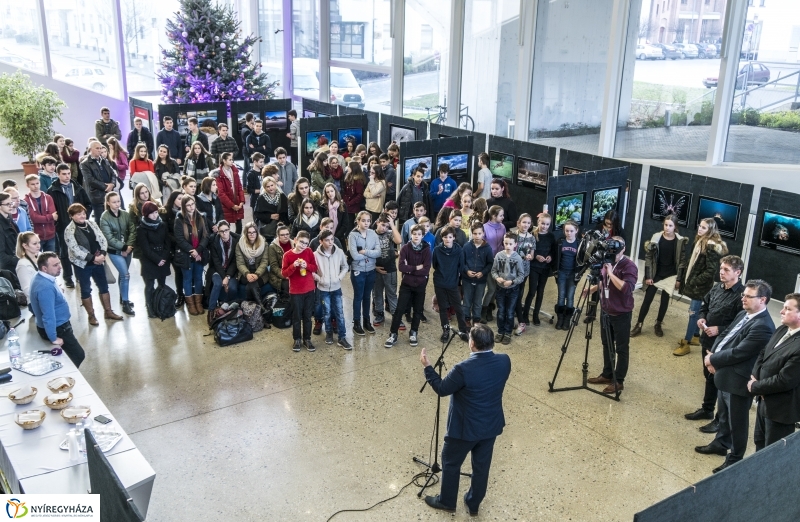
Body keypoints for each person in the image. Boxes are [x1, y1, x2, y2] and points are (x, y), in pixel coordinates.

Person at [419, 324, 511, 515]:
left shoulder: (463, 369)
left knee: (450, 462)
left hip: (464, 429)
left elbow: (442, 389)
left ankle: (447, 501)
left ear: (472, 344)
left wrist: (428, 367)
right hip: (490, 426)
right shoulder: (504, 361)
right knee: (481, 466)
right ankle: (473, 503)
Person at [696, 279, 775, 473]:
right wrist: (712, 356)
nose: (743, 299)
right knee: (723, 415)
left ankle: (735, 457)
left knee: (737, 422)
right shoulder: (743, 314)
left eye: (749, 296)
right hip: (725, 374)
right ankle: (721, 444)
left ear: (762, 300)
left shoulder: (763, 326)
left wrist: (713, 360)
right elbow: (725, 336)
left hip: (739, 380)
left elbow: (739, 352)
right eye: (743, 295)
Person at [685, 255, 745, 432]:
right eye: (721, 269)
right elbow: (705, 305)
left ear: (738, 272)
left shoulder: (741, 296)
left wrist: (719, 329)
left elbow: (740, 325)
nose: (721, 272)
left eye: (726, 270)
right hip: (707, 341)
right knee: (709, 377)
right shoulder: (717, 287)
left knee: (720, 382)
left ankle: (720, 420)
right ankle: (707, 409)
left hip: (724, 346)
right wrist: (702, 317)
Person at [586, 237, 638, 394]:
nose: (611, 254)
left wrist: (610, 271)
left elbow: (626, 288)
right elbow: (604, 280)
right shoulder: (606, 260)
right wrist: (593, 289)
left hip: (621, 313)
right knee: (606, 344)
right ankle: (607, 374)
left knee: (621, 348)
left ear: (623, 249)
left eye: (614, 251)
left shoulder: (629, 266)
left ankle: (619, 381)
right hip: (606, 310)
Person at [750, 293, 800, 451]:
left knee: (772, 454)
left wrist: (757, 386)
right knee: (759, 444)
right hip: (763, 402)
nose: (781, 311)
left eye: (787, 308)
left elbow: (785, 380)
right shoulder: (782, 330)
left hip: (780, 411)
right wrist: (756, 378)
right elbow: (762, 354)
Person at [674, 217, 728, 356]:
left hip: (700, 287)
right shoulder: (700, 242)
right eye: (700, 226)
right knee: (696, 312)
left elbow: (711, 271)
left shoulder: (710, 246)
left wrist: (695, 281)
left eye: (704, 227)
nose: (700, 229)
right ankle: (695, 337)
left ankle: (686, 343)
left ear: (710, 230)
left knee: (693, 314)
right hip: (696, 285)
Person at [63, 203, 123, 324]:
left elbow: (102, 239)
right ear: (71, 216)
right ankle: (91, 316)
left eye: (84, 213)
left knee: (104, 286)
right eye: (78, 214)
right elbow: (74, 249)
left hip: (98, 261)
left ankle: (108, 311)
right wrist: (93, 258)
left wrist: (102, 253)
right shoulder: (69, 230)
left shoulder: (91, 223)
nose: (82, 216)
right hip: (82, 264)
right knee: (86, 289)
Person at [631, 215, 688, 338]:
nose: (667, 228)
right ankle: (639, 324)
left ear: (675, 227)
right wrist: (648, 275)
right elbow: (648, 258)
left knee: (664, 301)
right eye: (666, 225)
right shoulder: (656, 238)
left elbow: (682, 261)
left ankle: (658, 324)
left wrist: (678, 279)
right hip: (656, 274)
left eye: (670, 226)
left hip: (670, 275)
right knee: (647, 300)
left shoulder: (680, 241)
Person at [29, 252, 86, 367]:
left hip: (60, 325)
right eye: (55, 265)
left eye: (59, 263)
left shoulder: (42, 277)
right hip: (58, 328)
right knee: (78, 355)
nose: (60, 267)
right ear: (44, 268)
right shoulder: (45, 287)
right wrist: (53, 338)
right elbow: (48, 316)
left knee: (71, 356)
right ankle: (65, 378)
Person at [385, 224, 431, 348]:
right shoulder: (405, 248)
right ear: (411, 235)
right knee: (400, 309)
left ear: (422, 235)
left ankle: (414, 332)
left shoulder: (426, 249)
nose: (416, 236)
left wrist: (409, 269)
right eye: (414, 234)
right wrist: (416, 267)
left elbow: (426, 270)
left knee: (417, 309)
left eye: (419, 234)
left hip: (420, 284)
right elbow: (401, 267)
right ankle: (393, 334)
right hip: (407, 284)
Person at [584, 210, 625, 324]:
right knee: (597, 285)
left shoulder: (620, 231)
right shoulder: (598, 227)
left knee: (608, 287)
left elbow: (623, 248)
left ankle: (607, 312)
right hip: (599, 260)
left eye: (610, 224)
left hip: (612, 262)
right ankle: (591, 313)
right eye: (606, 223)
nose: (608, 226)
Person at [99, 192, 136, 316]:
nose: (117, 204)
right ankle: (125, 303)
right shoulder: (104, 217)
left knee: (123, 274)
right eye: (114, 202)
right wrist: (124, 247)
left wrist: (129, 247)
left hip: (128, 250)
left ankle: (123, 297)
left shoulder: (125, 214)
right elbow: (109, 238)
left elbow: (132, 230)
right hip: (114, 251)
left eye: (118, 201)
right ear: (108, 203)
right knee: (125, 275)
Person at [312, 229, 350, 348]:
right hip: (323, 289)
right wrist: (320, 279)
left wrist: (339, 278)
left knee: (340, 312)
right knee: (327, 312)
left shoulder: (339, 252)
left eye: (332, 239)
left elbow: (345, 266)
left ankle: (342, 337)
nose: (330, 242)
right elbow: (311, 271)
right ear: (321, 241)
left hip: (336, 287)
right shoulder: (315, 255)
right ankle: (329, 334)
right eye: (327, 240)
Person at [282, 230, 318, 352]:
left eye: (306, 243)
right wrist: (293, 266)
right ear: (295, 240)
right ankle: (297, 339)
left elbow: (315, 267)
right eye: (301, 242)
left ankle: (307, 339)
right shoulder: (287, 255)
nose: (303, 245)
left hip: (309, 289)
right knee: (297, 316)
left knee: (308, 316)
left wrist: (306, 265)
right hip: (295, 291)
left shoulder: (308, 252)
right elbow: (284, 273)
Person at [432, 225, 470, 342]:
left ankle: (463, 330)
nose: (447, 239)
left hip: (453, 283)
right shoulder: (437, 250)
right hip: (440, 283)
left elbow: (461, 266)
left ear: (454, 237)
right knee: (443, 308)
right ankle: (445, 330)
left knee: (458, 307)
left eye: (450, 237)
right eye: (445, 237)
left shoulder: (459, 250)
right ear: (442, 238)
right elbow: (435, 265)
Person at [174, 195, 209, 316]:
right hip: (186, 255)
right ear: (184, 206)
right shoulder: (179, 219)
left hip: (199, 254)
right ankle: (191, 304)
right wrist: (192, 251)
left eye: (193, 204)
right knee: (187, 279)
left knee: (199, 278)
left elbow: (206, 236)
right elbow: (179, 239)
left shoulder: (201, 217)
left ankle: (198, 302)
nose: (191, 207)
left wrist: (198, 250)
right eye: (188, 205)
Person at [135, 201, 171, 318]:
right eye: (152, 213)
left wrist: (164, 257)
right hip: (149, 260)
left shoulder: (162, 225)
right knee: (149, 285)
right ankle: (149, 306)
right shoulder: (141, 228)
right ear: (146, 214)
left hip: (163, 257)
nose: (155, 215)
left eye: (156, 212)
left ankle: (160, 304)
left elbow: (167, 243)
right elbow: (145, 248)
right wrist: (157, 260)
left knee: (162, 284)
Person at [348, 211, 381, 336]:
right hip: (359, 271)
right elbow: (355, 256)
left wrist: (365, 252)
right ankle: (357, 322)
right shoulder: (353, 235)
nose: (366, 223)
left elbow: (378, 252)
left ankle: (367, 321)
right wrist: (369, 254)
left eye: (368, 220)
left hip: (371, 270)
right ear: (358, 221)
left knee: (367, 297)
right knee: (358, 296)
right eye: (363, 220)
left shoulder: (373, 234)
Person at [520, 213, 555, 328]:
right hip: (534, 267)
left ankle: (536, 315)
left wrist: (550, 257)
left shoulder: (550, 236)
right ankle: (525, 314)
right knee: (532, 291)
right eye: (542, 223)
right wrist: (536, 257)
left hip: (545, 268)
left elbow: (552, 251)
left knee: (540, 292)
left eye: (547, 224)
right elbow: (530, 251)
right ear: (538, 222)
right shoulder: (532, 235)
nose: (544, 226)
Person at [492, 232, 526, 345]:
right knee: (501, 311)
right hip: (500, 289)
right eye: (506, 243)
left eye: (510, 244)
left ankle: (507, 333)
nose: (508, 246)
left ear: (515, 244)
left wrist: (512, 282)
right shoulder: (498, 256)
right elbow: (494, 271)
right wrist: (497, 278)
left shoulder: (518, 258)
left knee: (510, 312)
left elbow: (521, 275)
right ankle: (500, 331)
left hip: (513, 290)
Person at [371, 213, 401, 328]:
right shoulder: (371, 235)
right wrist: (374, 267)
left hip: (390, 269)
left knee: (392, 293)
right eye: (383, 225)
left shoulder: (389, 234)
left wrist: (392, 225)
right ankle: (379, 314)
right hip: (376, 269)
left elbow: (398, 241)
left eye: (387, 226)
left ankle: (395, 315)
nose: (384, 228)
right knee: (377, 293)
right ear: (377, 222)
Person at [462, 222, 493, 328]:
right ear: (472, 234)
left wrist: (483, 272)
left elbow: (490, 263)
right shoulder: (466, 246)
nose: (477, 236)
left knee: (478, 301)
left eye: (479, 233)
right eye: (475, 233)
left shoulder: (487, 248)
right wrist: (467, 271)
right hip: (467, 279)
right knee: (466, 300)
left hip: (481, 280)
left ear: (483, 233)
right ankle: (466, 319)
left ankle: (476, 319)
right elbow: (462, 262)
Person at [509, 214, 536, 335]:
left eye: (528, 223)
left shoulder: (532, 238)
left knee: (518, 296)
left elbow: (532, 254)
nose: (526, 225)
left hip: (524, 271)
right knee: (512, 295)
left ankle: (521, 322)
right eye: (524, 222)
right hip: (511, 270)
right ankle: (514, 319)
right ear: (518, 223)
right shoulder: (512, 235)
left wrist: (530, 256)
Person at [80, 141, 118, 224]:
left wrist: (112, 184)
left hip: (109, 194)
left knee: (112, 219)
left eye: (100, 148)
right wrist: (106, 187)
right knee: (100, 220)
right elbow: (90, 180)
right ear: (90, 149)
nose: (100, 150)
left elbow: (113, 174)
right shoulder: (85, 164)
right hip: (97, 196)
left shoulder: (105, 161)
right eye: (97, 148)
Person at [479, 205, 506, 323]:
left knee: (496, 288)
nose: (503, 217)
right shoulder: (484, 227)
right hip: (488, 262)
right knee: (491, 288)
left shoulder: (503, 227)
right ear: (494, 216)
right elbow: (481, 245)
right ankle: (482, 310)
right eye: (501, 215)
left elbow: (503, 243)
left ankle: (490, 308)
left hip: (500, 261)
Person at [206, 220, 239, 311]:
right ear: (218, 231)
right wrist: (224, 277)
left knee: (232, 287)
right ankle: (211, 310)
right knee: (217, 284)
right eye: (221, 231)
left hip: (231, 271)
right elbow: (216, 262)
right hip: (217, 269)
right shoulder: (214, 241)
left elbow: (234, 262)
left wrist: (227, 276)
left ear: (229, 229)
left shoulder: (236, 240)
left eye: (226, 230)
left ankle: (229, 308)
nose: (224, 233)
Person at [553, 220, 580, 330]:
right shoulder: (560, 242)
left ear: (576, 231)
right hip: (562, 273)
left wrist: (579, 273)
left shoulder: (579, 244)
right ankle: (560, 319)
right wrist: (555, 271)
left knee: (570, 297)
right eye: (566, 231)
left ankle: (567, 319)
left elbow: (582, 260)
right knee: (561, 296)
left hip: (573, 274)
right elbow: (555, 257)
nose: (569, 233)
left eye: (571, 231)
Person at [23, 175, 58, 253]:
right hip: (35, 237)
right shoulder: (26, 201)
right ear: (27, 185)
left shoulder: (48, 197)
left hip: (51, 235)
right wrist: (50, 217)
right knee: (36, 260)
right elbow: (33, 218)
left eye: (37, 183)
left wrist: (45, 217)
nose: (36, 186)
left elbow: (54, 215)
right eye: (32, 184)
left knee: (50, 259)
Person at [213, 152, 244, 234]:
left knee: (239, 226)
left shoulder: (235, 171)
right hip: (226, 204)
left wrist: (241, 201)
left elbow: (240, 187)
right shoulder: (218, 174)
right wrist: (232, 205)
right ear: (224, 160)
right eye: (230, 159)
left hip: (237, 202)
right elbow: (221, 193)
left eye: (232, 159)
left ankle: (237, 242)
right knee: (226, 227)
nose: (232, 161)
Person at [254, 178, 289, 244]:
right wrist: (269, 216)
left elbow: (287, 212)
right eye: (268, 186)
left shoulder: (282, 196)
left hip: (280, 228)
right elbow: (257, 214)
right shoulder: (261, 198)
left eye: (272, 185)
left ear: (275, 185)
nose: (270, 188)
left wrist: (280, 216)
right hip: (267, 230)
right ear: (264, 187)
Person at [267, 224, 292, 296]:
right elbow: (274, 266)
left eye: (287, 234)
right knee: (287, 284)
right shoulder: (272, 247)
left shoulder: (294, 244)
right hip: (279, 275)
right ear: (278, 236)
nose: (286, 236)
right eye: (282, 235)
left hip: (292, 272)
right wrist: (285, 275)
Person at [342, 162, 366, 233]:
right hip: (347, 203)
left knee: (350, 224)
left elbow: (359, 195)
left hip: (353, 205)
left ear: (353, 168)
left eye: (349, 166)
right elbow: (346, 192)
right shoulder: (348, 176)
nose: (347, 168)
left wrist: (350, 203)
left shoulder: (358, 181)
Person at [15, 232, 40, 300]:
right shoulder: (22, 265)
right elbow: (27, 290)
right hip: (36, 301)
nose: (38, 246)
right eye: (35, 243)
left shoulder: (40, 256)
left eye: (39, 242)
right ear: (25, 246)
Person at [0, 192, 21, 271]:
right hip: (8, 268)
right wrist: (19, 260)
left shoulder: (10, 219)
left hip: (15, 262)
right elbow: (1, 255)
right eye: (7, 204)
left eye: (11, 203)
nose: (11, 206)